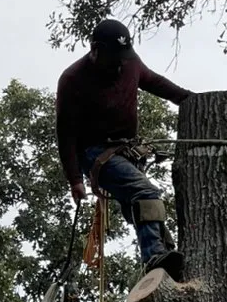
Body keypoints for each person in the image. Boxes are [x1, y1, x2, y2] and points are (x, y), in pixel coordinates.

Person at [56, 18, 192, 281]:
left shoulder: (129, 62)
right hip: (95, 154)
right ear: (95, 50)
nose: (119, 63)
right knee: (145, 192)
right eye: (113, 57)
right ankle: (154, 258)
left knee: (139, 206)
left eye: (123, 56)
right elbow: (66, 135)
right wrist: (75, 180)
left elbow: (154, 81)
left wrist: (188, 98)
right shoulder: (73, 80)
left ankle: (167, 258)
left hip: (127, 150)